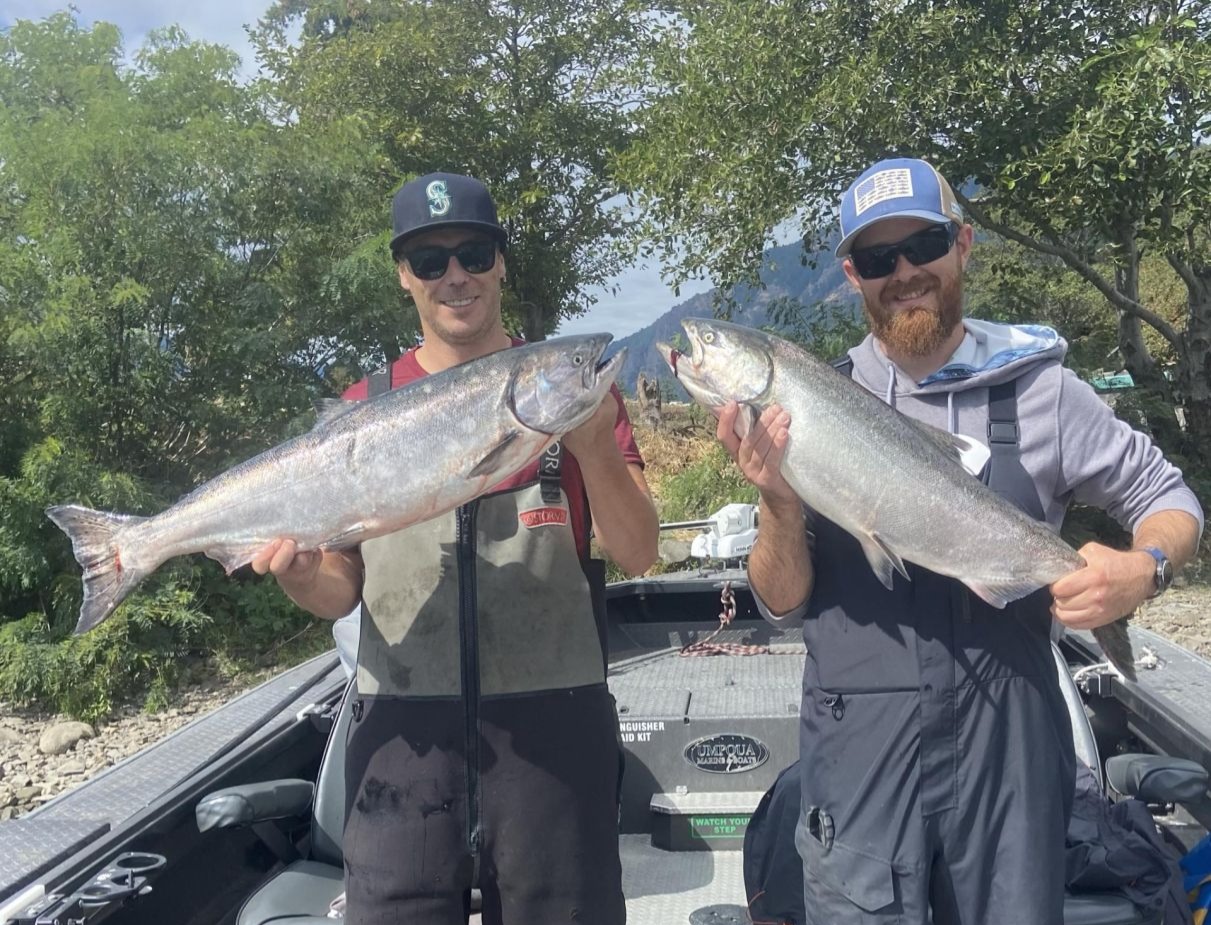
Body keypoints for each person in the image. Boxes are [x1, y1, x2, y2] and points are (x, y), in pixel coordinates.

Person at [720, 156, 1204, 925]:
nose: (903, 272)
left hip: (1008, 753)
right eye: (878, 258)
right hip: (859, 761)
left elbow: (1170, 500)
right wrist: (777, 500)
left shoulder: (1040, 391)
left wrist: (1143, 568)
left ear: (963, 245)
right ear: (852, 276)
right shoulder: (807, 407)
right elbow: (780, 604)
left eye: (923, 244)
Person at [250, 171, 659, 925]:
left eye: (473, 253)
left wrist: (596, 449)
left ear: (500, 262)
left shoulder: (571, 387)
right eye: (430, 260)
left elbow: (638, 553)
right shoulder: (363, 410)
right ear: (404, 276)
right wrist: (299, 575)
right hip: (401, 743)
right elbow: (338, 591)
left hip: (556, 734)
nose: (455, 276)